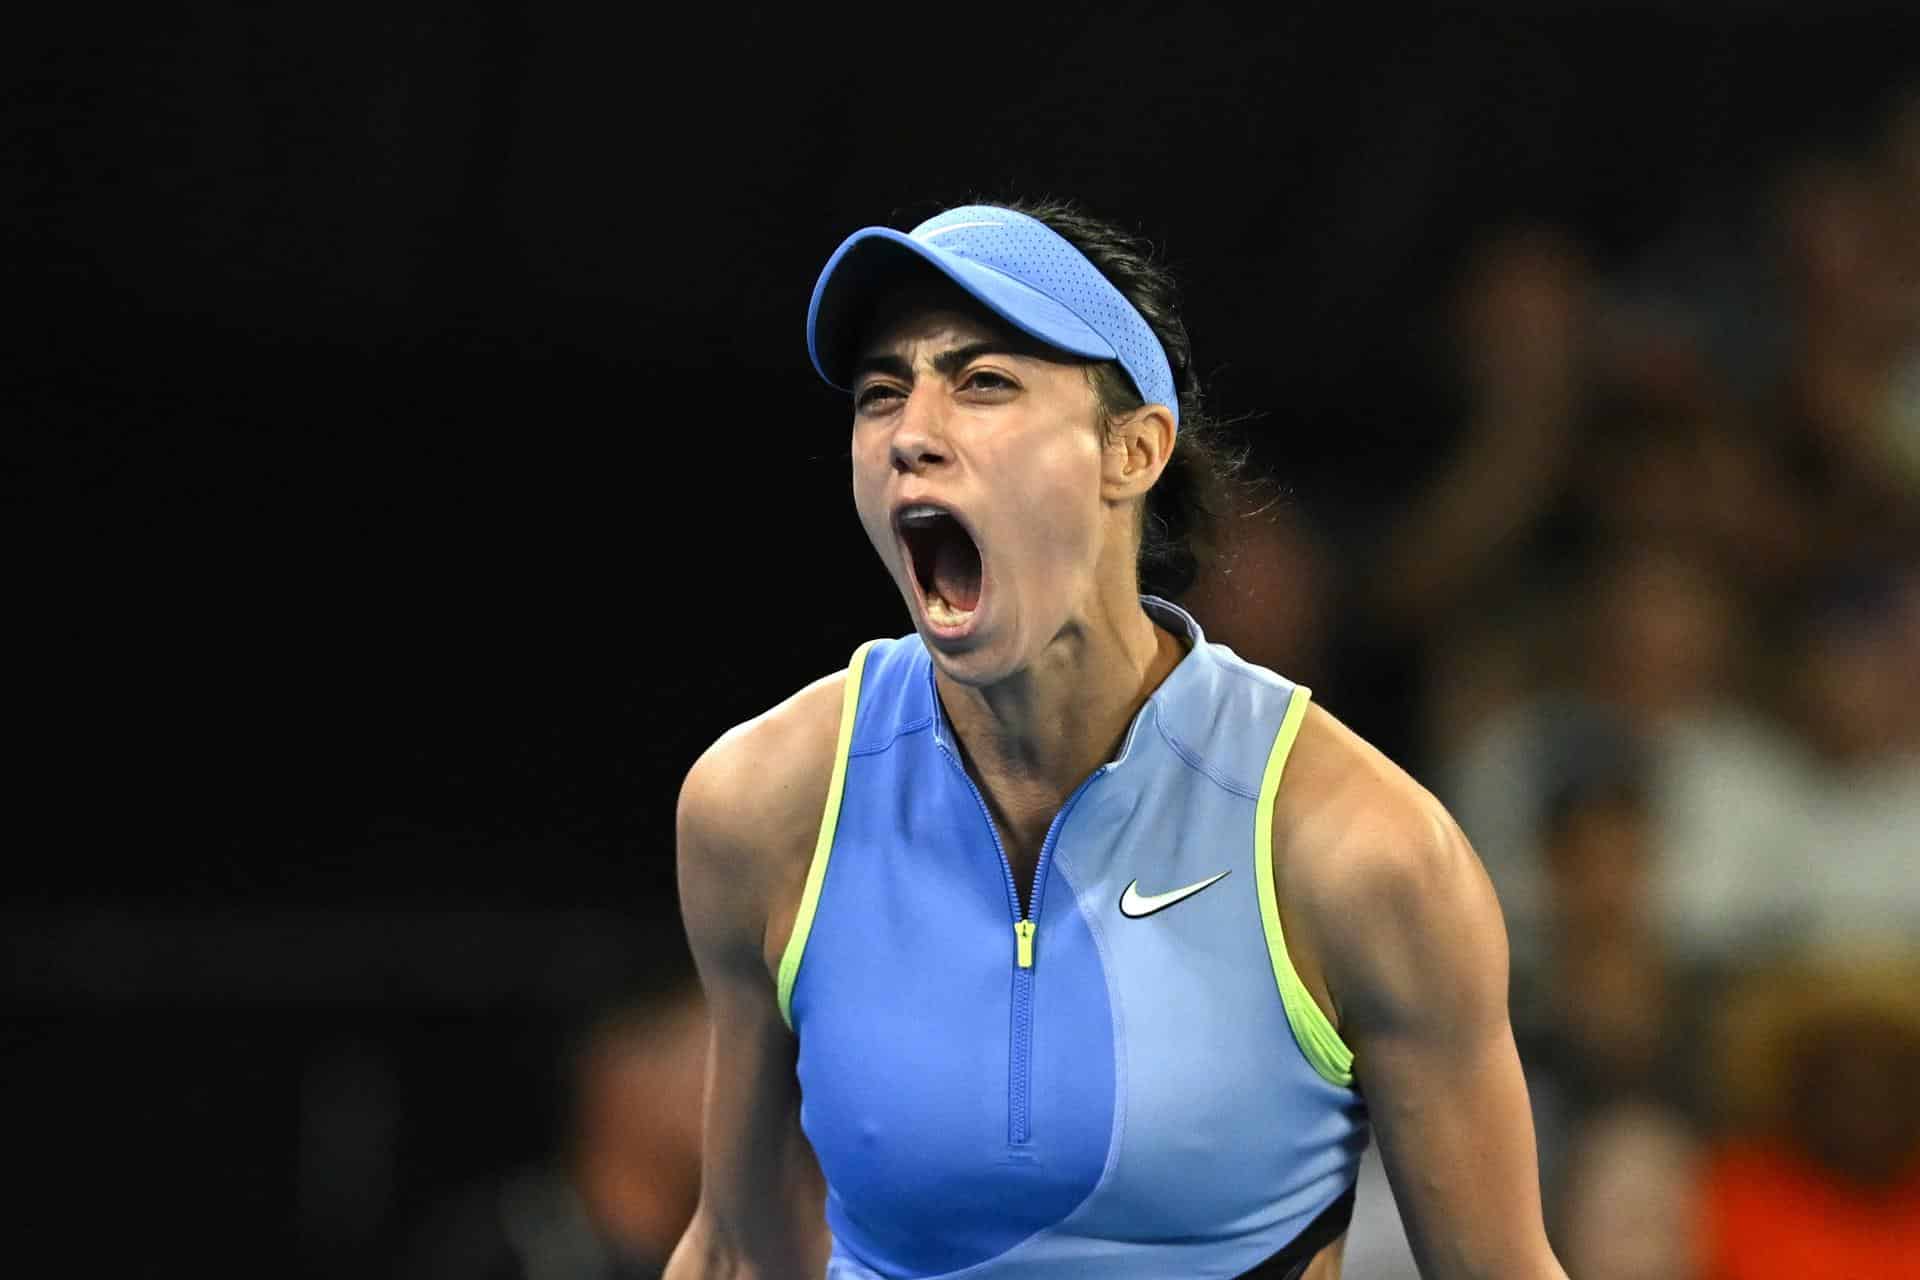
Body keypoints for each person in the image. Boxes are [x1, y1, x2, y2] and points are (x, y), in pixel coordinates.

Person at [665, 198, 1569, 1279]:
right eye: (880, 393)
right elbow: (730, 1247)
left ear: (1132, 449)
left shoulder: (1361, 852)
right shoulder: (762, 805)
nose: (912, 430)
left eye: (984, 381)